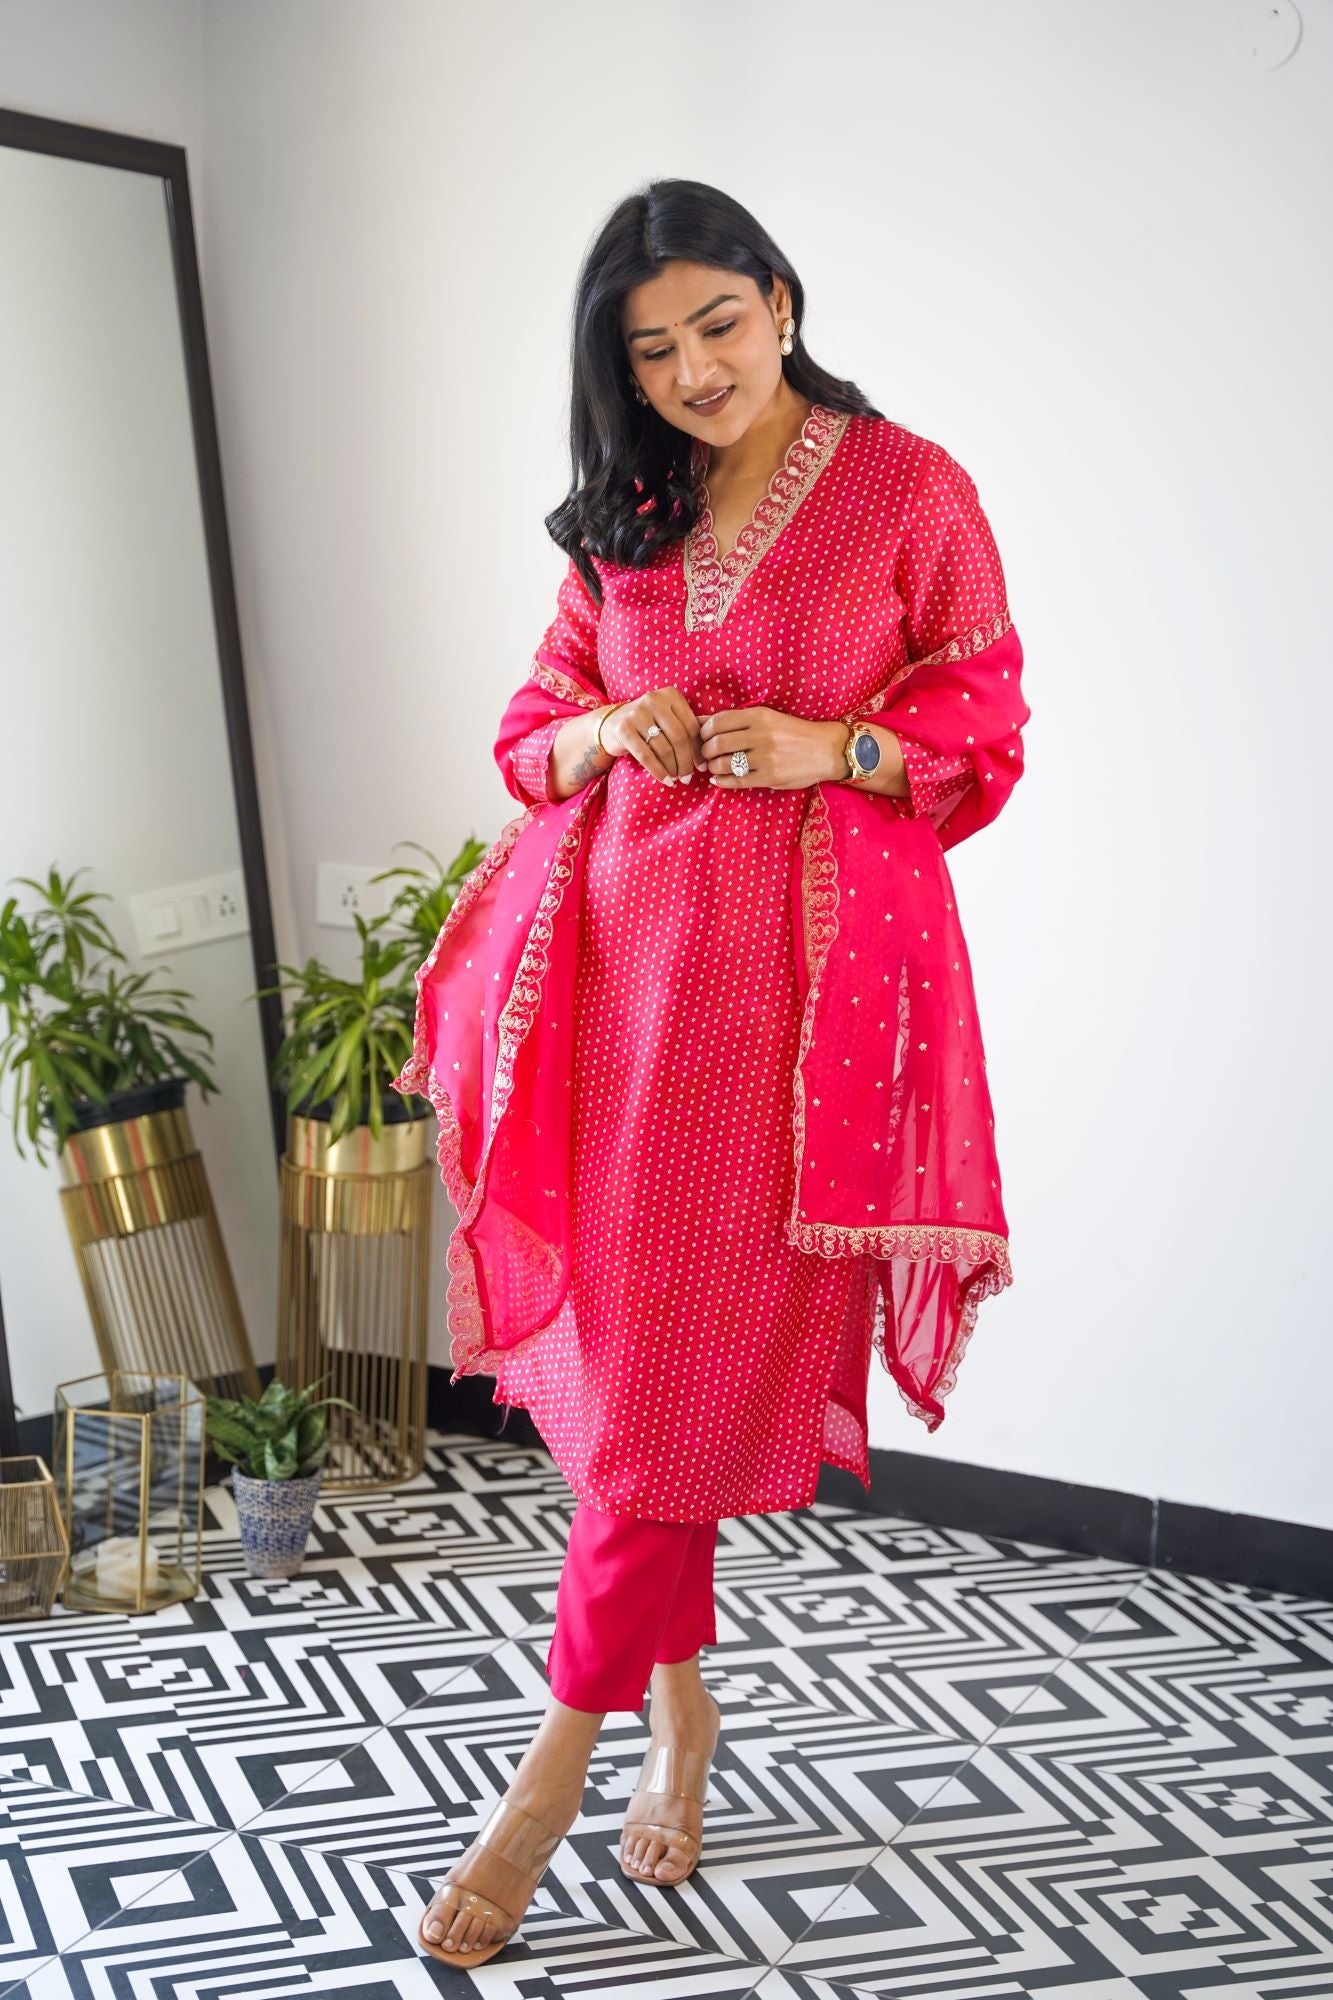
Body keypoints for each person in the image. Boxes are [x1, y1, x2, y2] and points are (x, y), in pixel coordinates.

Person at [394, 176, 1030, 1969]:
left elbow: (985, 721)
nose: (690, 370)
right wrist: (611, 721)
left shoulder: (911, 491)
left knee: (669, 1391)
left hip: (786, 1021)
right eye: (649, 347)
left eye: (717, 326)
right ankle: (680, 1713)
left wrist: (837, 746)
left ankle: (542, 1786)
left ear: (781, 300)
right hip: (612, 997)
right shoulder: (631, 505)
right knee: (635, 1386)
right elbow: (529, 733)